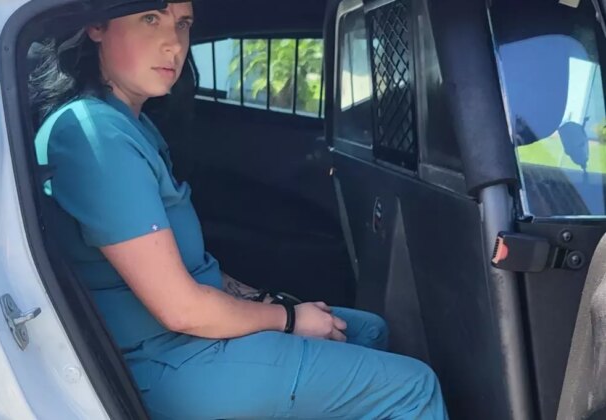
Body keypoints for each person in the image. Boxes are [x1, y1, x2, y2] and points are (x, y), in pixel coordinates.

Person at [31, 1, 449, 418]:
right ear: (97, 26)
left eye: (183, 23)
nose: (174, 44)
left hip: (188, 344)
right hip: (168, 364)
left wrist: (265, 299)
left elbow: (195, 269)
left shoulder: (130, 124)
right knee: (414, 389)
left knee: (367, 330)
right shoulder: (93, 136)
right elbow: (181, 309)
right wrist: (288, 318)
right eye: (150, 18)